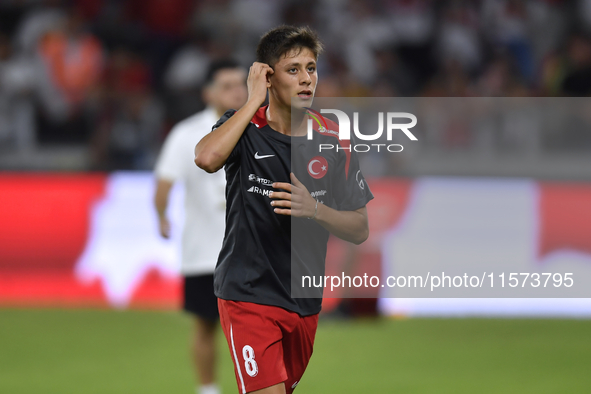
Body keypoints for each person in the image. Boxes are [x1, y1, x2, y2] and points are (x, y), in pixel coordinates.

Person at [194, 25, 373, 394]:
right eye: (293, 70)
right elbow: (207, 158)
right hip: (247, 294)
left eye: (311, 68)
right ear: (268, 77)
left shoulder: (334, 141)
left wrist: (315, 209)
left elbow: (359, 228)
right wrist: (251, 100)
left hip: (303, 302)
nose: (307, 79)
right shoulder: (244, 127)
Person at [154, 59, 247, 394]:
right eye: (227, 85)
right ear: (208, 92)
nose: (236, 91)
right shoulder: (187, 133)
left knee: (255, 327)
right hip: (205, 249)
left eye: (240, 84)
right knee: (206, 324)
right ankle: (208, 389)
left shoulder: (263, 128)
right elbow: (164, 182)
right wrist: (161, 215)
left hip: (252, 251)